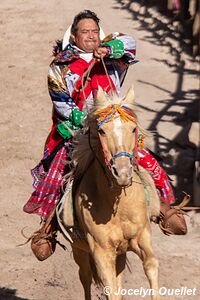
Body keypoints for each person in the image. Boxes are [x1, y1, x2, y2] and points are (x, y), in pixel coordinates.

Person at [23, 10, 187, 261]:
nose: (91, 36)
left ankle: (164, 208)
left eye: (94, 32)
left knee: (145, 160)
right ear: (74, 36)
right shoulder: (60, 67)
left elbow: (130, 43)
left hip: (113, 128)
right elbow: (61, 101)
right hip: (79, 129)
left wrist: (109, 50)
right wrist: (81, 119)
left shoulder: (113, 58)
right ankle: (49, 227)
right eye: (85, 32)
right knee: (57, 172)